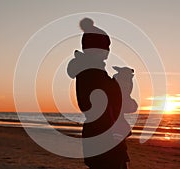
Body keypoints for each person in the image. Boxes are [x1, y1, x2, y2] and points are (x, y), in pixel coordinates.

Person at [67, 18, 130, 169]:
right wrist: (120, 82)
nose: (108, 52)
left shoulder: (91, 71)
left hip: (99, 132)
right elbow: (106, 100)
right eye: (105, 48)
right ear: (95, 49)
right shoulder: (92, 72)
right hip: (104, 134)